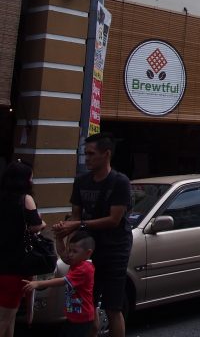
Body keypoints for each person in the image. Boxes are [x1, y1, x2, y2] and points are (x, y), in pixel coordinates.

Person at [54, 134, 132, 337]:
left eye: (91, 154)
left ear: (106, 155)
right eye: (84, 153)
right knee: (86, 302)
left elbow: (114, 220)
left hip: (115, 247)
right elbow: (76, 215)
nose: (86, 158)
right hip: (90, 246)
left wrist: (77, 224)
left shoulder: (120, 182)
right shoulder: (81, 181)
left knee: (113, 306)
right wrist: (65, 233)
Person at [0, 160, 46, 337]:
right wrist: (41, 222)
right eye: (31, 177)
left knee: (9, 317)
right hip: (15, 265)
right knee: (6, 316)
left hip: (2, 262)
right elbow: (35, 225)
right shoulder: (25, 199)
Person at [23, 231, 95, 337]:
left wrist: (38, 284)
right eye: (70, 250)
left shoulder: (85, 268)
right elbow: (62, 253)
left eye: (74, 251)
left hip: (82, 318)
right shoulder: (76, 262)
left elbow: (62, 281)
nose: (70, 254)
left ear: (88, 253)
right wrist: (59, 237)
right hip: (74, 316)